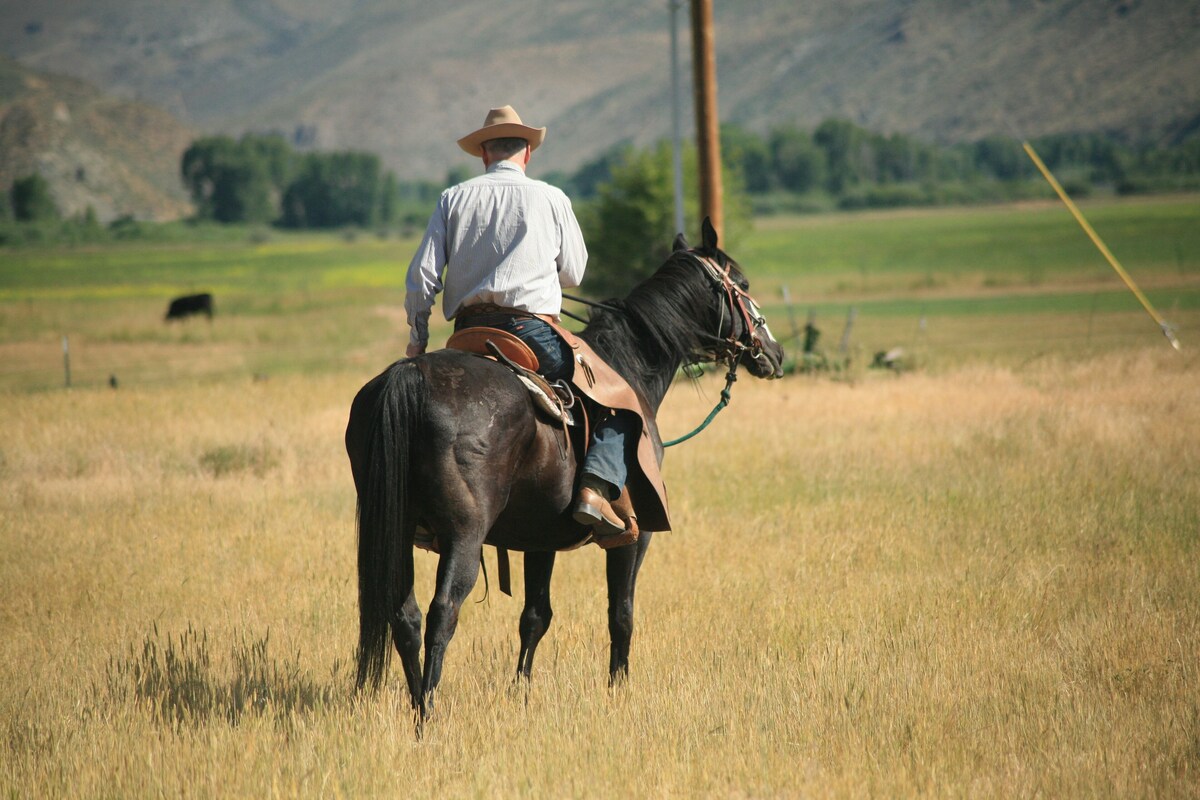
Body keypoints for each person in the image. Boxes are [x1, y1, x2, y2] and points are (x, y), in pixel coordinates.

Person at [404, 105, 636, 542]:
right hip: (530, 333)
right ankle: (595, 488)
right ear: (527, 152)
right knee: (616, 400)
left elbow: (422, 277)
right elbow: (574, 272)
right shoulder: (552, 198)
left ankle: (420, 506)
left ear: (484, 153)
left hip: (466, 335)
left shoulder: (453, 198)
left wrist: (418, 340)